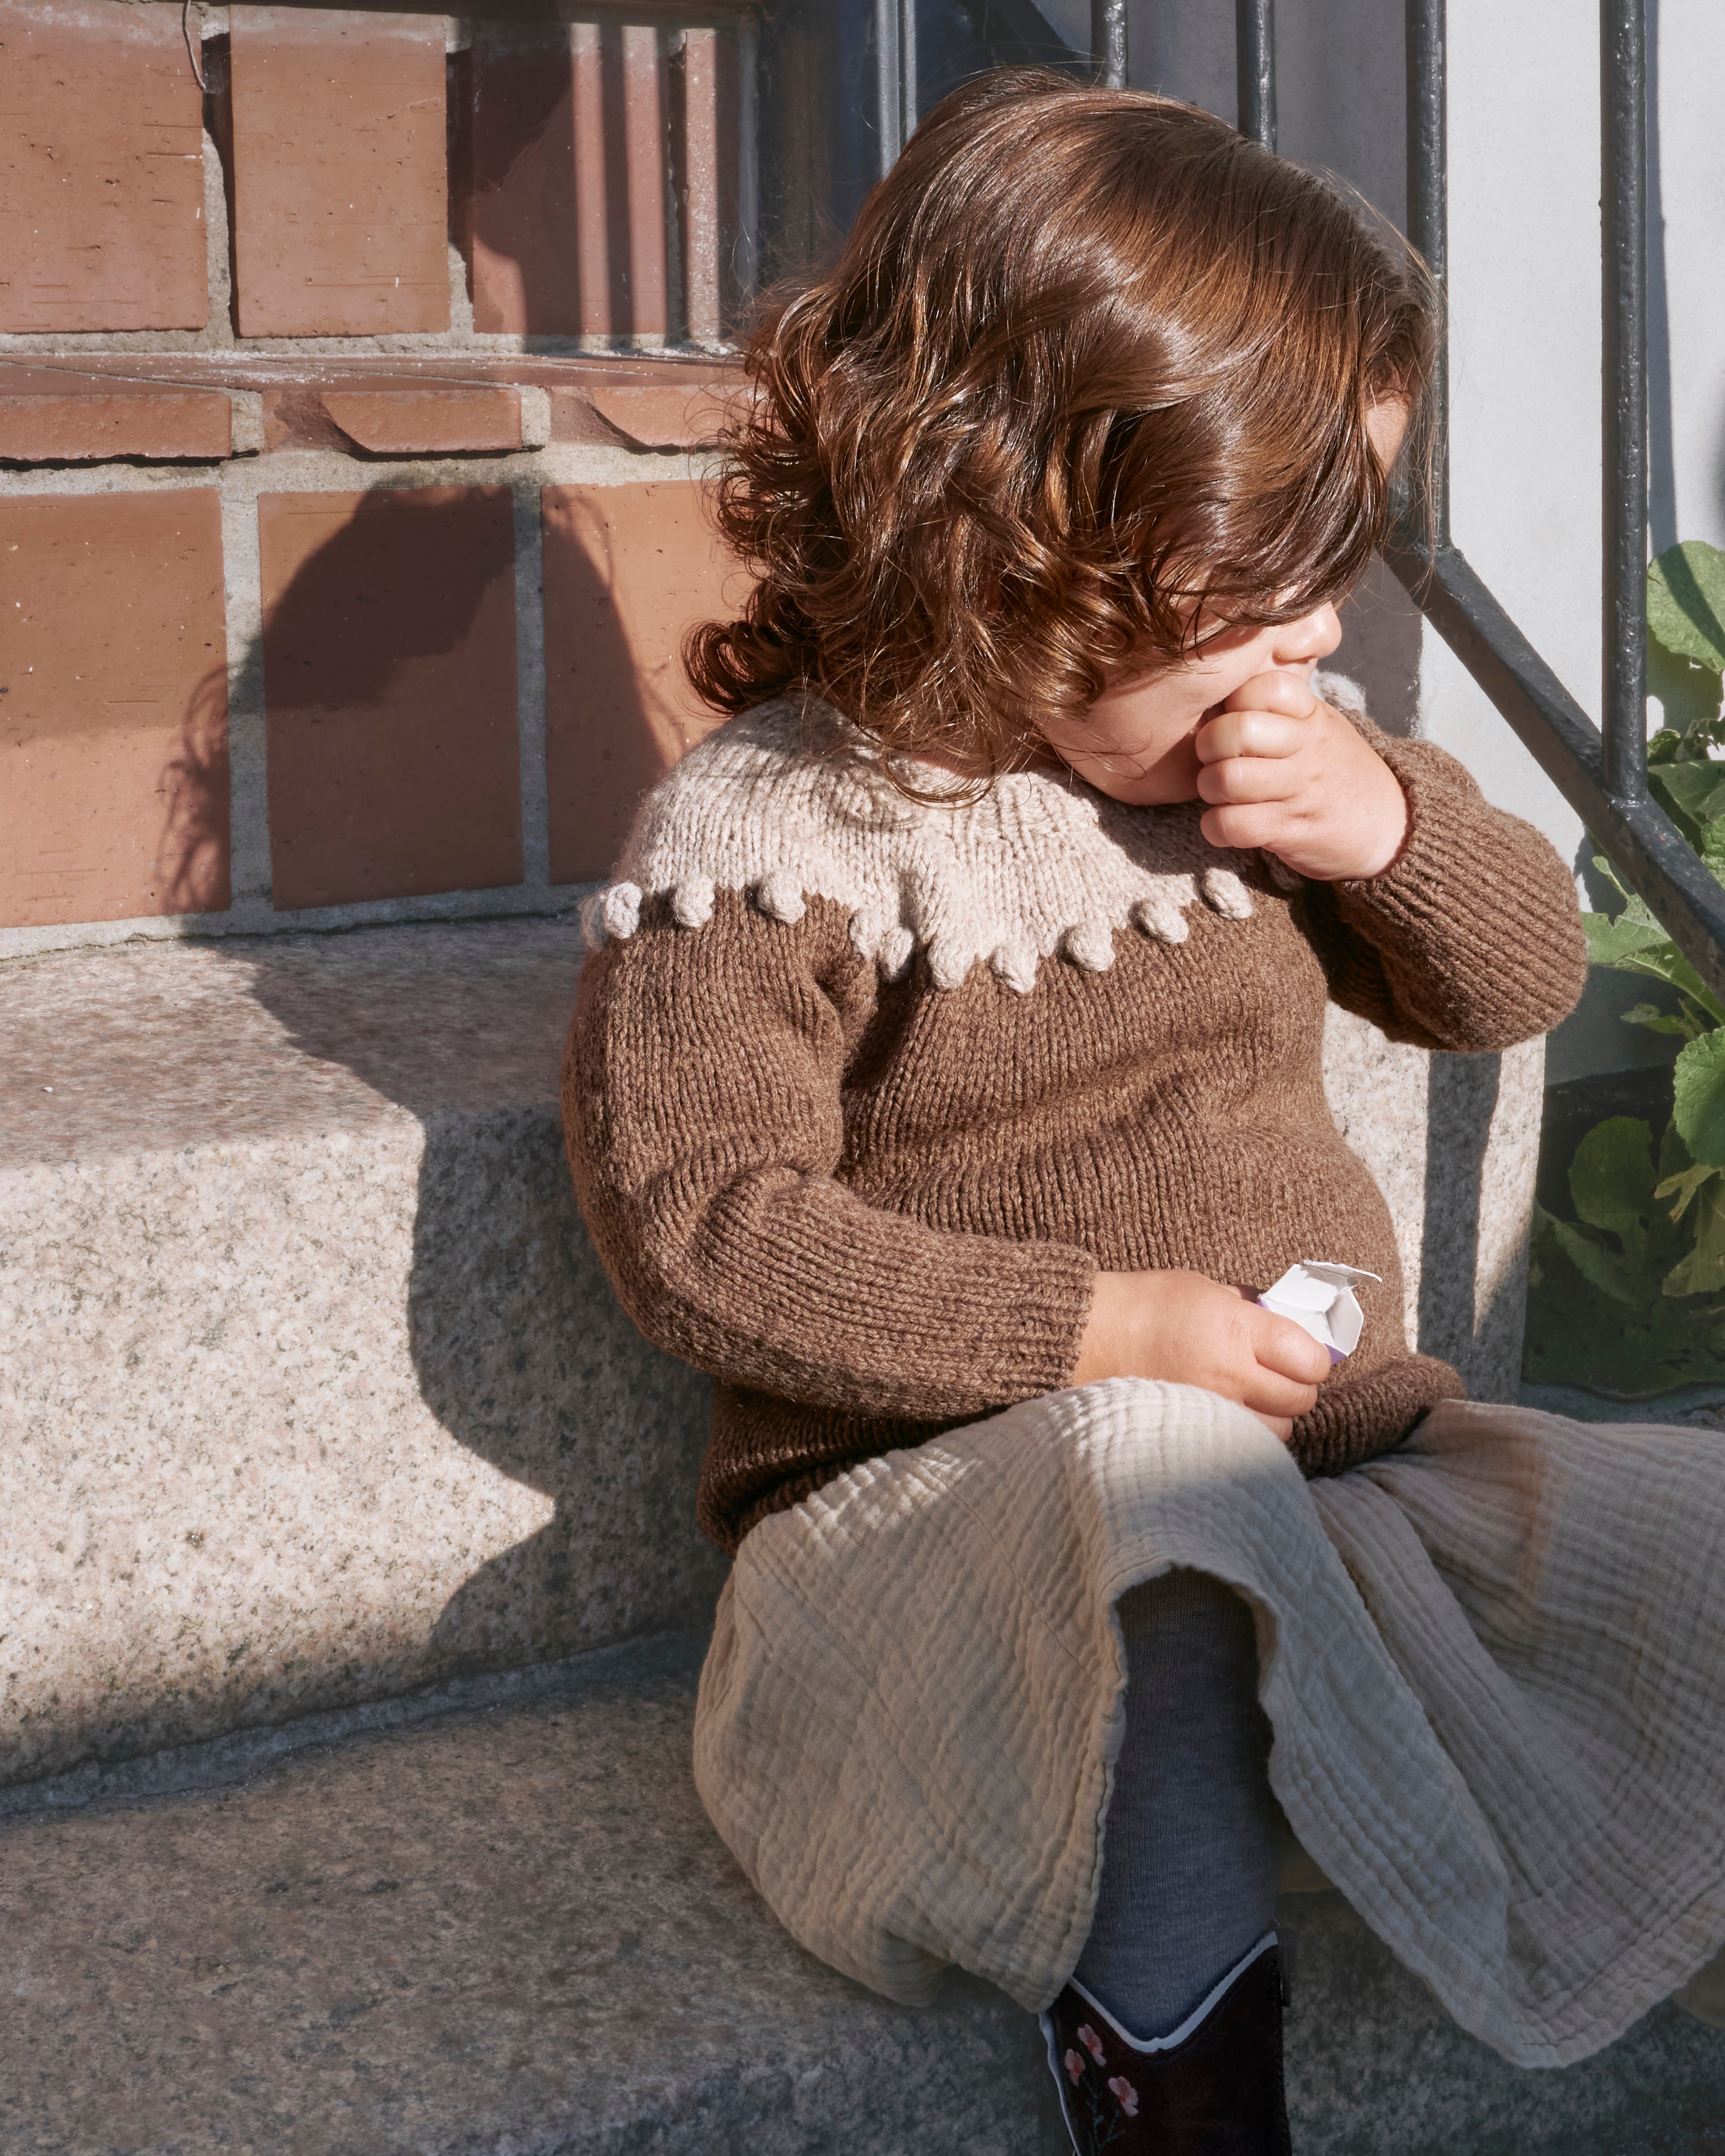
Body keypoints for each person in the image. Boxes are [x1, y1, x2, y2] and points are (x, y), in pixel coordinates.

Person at [562, 71, 1725, 2153]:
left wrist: (1385, 830)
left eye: (1338, 553)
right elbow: (703, 1223)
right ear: (1002, 519)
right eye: (1260, 561)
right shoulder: (777, 829)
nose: (1317, 622)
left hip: (1357, 1480)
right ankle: (1176, 2073)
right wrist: (1098, 1328)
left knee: (1695, 1541)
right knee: (1159, 1479)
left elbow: (1520, 977)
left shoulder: (1272, 768)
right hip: (955, 1551)